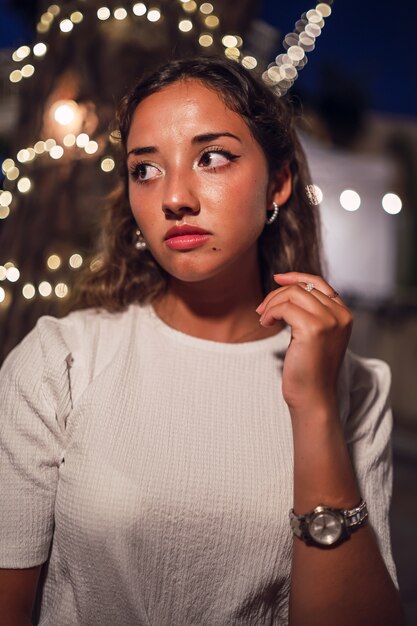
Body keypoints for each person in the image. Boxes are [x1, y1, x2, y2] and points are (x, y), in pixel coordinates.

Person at [0, 56, 404, 626]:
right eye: (145, 169)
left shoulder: (355, 385)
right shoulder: (60, 361)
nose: (175, 197)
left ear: (278, 184)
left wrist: (314, 409)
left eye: (212, 157)